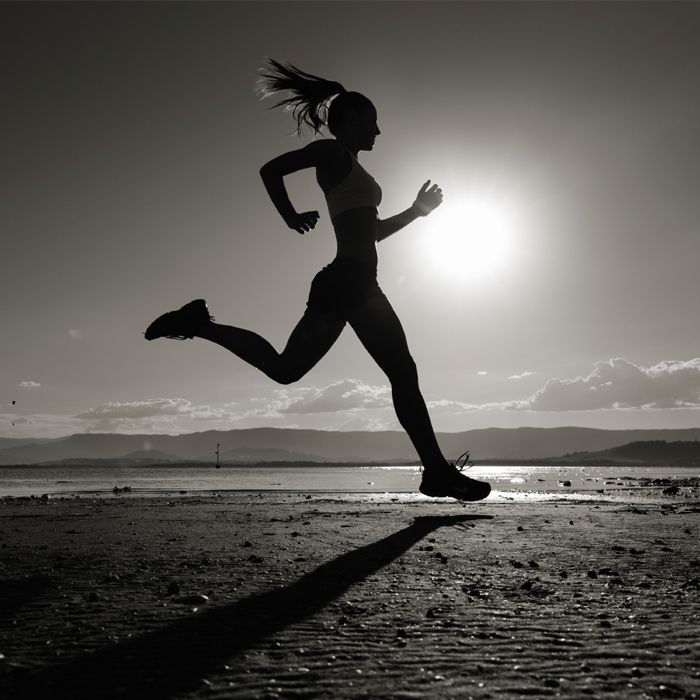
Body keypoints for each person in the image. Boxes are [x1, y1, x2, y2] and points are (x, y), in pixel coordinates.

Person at [145, 59, 490, 502]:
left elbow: (374, 232)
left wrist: (418, 211)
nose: (379, 132)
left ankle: (198, 324)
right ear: (349, 120)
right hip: (348, 282)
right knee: (380, 371)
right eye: (372, 121)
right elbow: (270, 170)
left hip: (356, 282)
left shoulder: (355, 169)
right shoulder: (331, 153)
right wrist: (290, 216)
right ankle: (436, 473)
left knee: (319, 370)